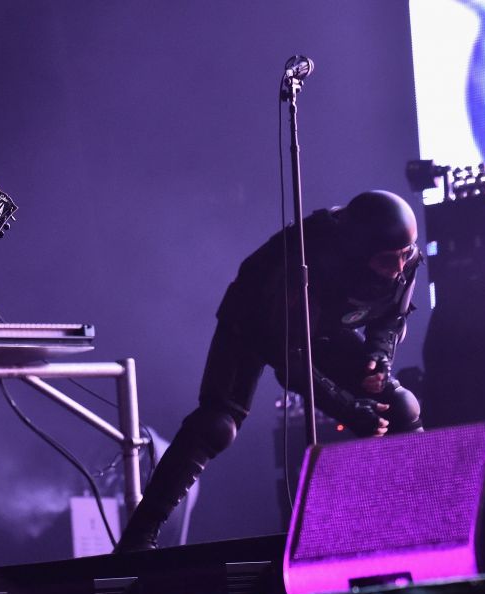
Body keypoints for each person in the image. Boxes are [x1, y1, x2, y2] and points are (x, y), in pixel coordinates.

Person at [116, 190, 424, 552]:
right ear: (358, 252)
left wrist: (378, 357)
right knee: (217, 424)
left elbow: (391, 316)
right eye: (389, 260)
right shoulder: (301, 260)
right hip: (255, 324)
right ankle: (138, 538)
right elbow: (289, 364)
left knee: (402, 407)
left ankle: (424, 517)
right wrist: (348, 409)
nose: (400, 268)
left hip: (324, 328)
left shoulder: (405, 258)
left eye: (405, 256)